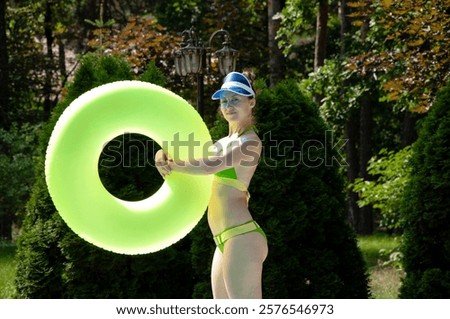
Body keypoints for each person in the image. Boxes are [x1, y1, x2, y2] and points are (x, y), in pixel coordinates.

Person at [155, 71, 268, 299]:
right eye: (224, 100)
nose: (229, 105)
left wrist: (174, 165)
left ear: (252, 101)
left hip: (242, 235)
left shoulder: (251, 142)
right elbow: (192, 164)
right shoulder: (221, 143)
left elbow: (209, 166)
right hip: (221, 239)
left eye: (236, 99)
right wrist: (161, 156)